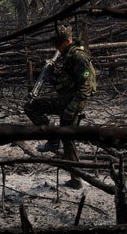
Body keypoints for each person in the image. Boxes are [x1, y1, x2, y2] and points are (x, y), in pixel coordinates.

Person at [24, 25, 97, 189]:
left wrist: (71, 108)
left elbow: (87, 85)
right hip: (69, 99)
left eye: (58, 44)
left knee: (31, 107)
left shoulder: (78, 56)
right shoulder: (69, 54)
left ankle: (52, 136)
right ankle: (76, 179)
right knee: (68, 139)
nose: (56, 48)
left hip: (72, 101)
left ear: (67, 41)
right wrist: (52, 76)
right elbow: (67, 80)